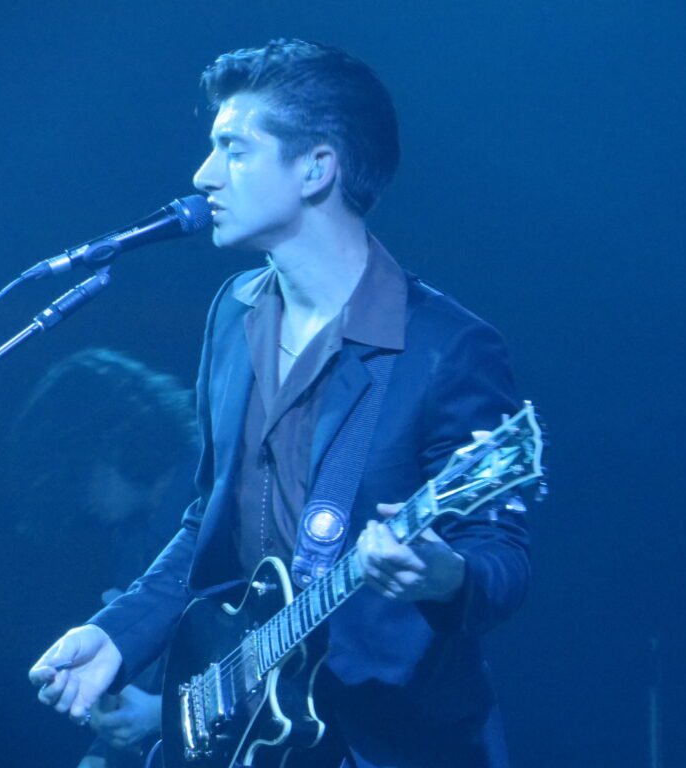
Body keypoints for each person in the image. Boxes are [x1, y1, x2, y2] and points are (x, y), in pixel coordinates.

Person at [30, 39, 530, 768]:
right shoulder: (234, 313)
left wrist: (445, 573)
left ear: (316, 168)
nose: (203, 175)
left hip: (395, 739)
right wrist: (117, 634)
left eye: (233, 149)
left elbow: (503, 556)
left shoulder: (445, 347)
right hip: (262, 727)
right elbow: (207, 519)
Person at [14, 348, 198, 768]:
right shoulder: (131, 538)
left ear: (116, 440)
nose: (79, 499)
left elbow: (253, 638)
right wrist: (104, 745)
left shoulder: (210, 491)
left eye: (81, 473)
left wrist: (161, 715)